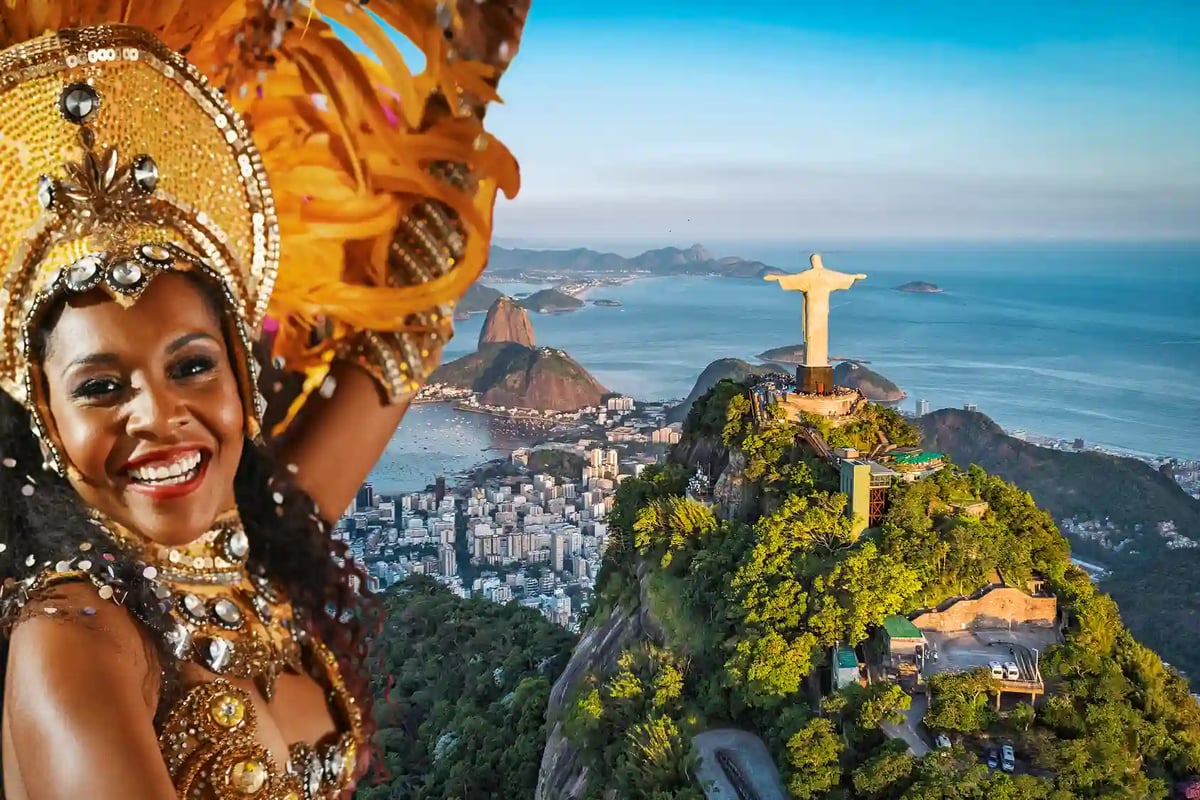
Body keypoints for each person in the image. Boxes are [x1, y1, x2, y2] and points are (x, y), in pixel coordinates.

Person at [0, 1, 529, 797]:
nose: (158, 416)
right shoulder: (74, 641)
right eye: (102, 387)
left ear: (242, 383)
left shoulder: (254, 560)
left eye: (191, 367)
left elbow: (399, 341)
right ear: (46, 415)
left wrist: (469, 78)